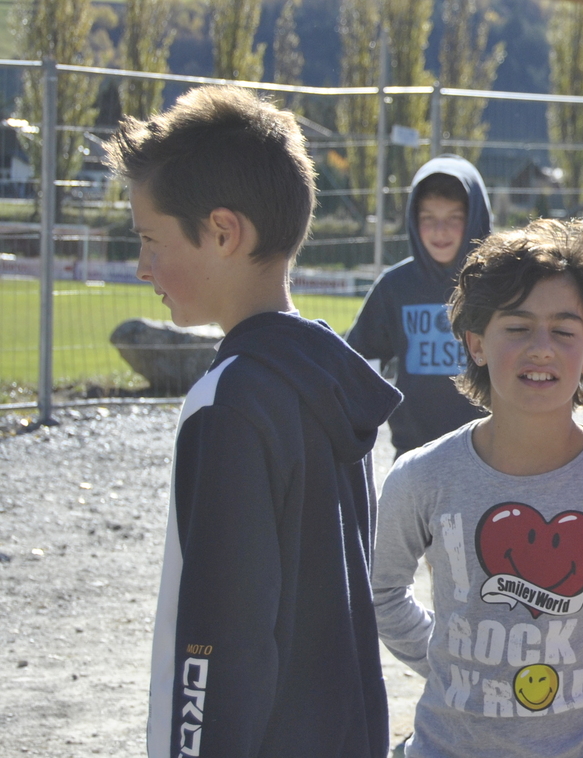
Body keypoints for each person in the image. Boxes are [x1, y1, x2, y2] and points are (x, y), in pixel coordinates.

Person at [107, 87, 402, 758]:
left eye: (150, 239)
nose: (142, 266)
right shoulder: (326, 376)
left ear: (222, 232)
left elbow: (223, 640)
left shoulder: (230, 401)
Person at [372, 216, 583, 758]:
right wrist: (445, 662)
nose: (541, 348)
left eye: (564, 331)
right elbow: (381, 592)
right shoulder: (420, 476)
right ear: (477, 343)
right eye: (517, 327)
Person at [348, 155, 492, 457]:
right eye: (428, 218)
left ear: (474, 218)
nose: (440, 230)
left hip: (489, 452)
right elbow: (358, 358)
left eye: (454, 218)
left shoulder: (497, 283)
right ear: (413, 219)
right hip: (413, 451)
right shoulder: (395, 286)